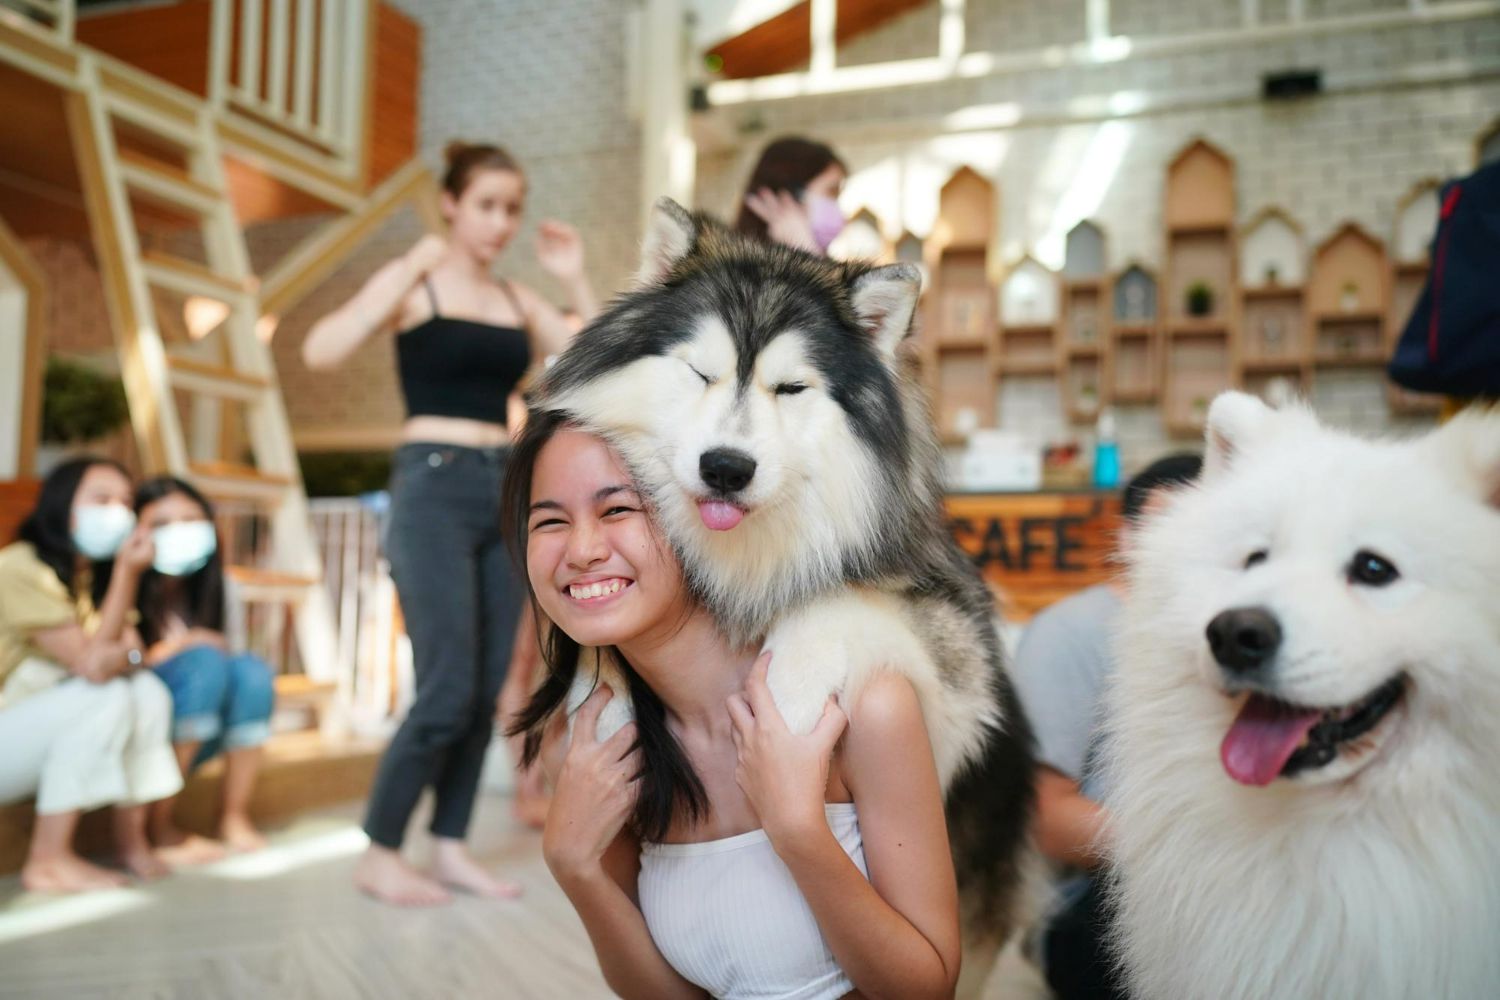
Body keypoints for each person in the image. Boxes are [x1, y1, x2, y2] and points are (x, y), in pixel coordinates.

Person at [502, 413, 961, 1000]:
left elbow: (929, 990)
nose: (582, 550)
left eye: (618, 510)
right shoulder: (593, 746)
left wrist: (799, 831)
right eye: (550, 522)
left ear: (696, 519)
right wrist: (575, 869)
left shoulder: (860, 707)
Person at [303, 141, 599, 906]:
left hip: (501, 492)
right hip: (429, 488)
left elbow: (601, 362)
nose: (501, 223)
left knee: (484, 690)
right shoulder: (417, 288)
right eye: (487, 205)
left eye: (512, 208)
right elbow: (319, 350)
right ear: (452, 204)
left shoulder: (515, 301)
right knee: (444, 686)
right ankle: (380, 849)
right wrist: (409, 266)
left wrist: (571, 279)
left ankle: (448, 846)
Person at [1010, 452, 1203, 1000]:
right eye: (1170, 527)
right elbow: (1049, 819)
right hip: (1094, 904)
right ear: (1126, 540)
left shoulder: (1229, 643)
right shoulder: (1072, 632)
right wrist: (1203, 852)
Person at [0, 457, 182, 892]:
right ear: (63, 504)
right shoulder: (19, 568)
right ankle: (48, 860)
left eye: (124, 501)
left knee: (148, 691)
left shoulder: (89, 579)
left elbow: (134, 654)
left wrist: (121, 645)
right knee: (106, 695)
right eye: (101, 499)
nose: (117, 512)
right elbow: (94, 666)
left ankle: (130, 839)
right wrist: (125, 575)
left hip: (29, 730)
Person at [133, 476, 275, 859]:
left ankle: (233, 815)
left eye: (190, 520)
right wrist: (185, 645)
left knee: (252, 672)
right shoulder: (122, 581)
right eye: (161, 523)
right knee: (205, 664)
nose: (178, 532)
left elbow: (232, 658)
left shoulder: (221, 586)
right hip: (144, 710)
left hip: (201, 716)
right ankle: (157, 826)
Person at [734, 136, 848, 254]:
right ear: (793, 195)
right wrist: (806, 255)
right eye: (832, 192)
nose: (840, 211)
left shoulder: (822, 256)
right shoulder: (735, 267)